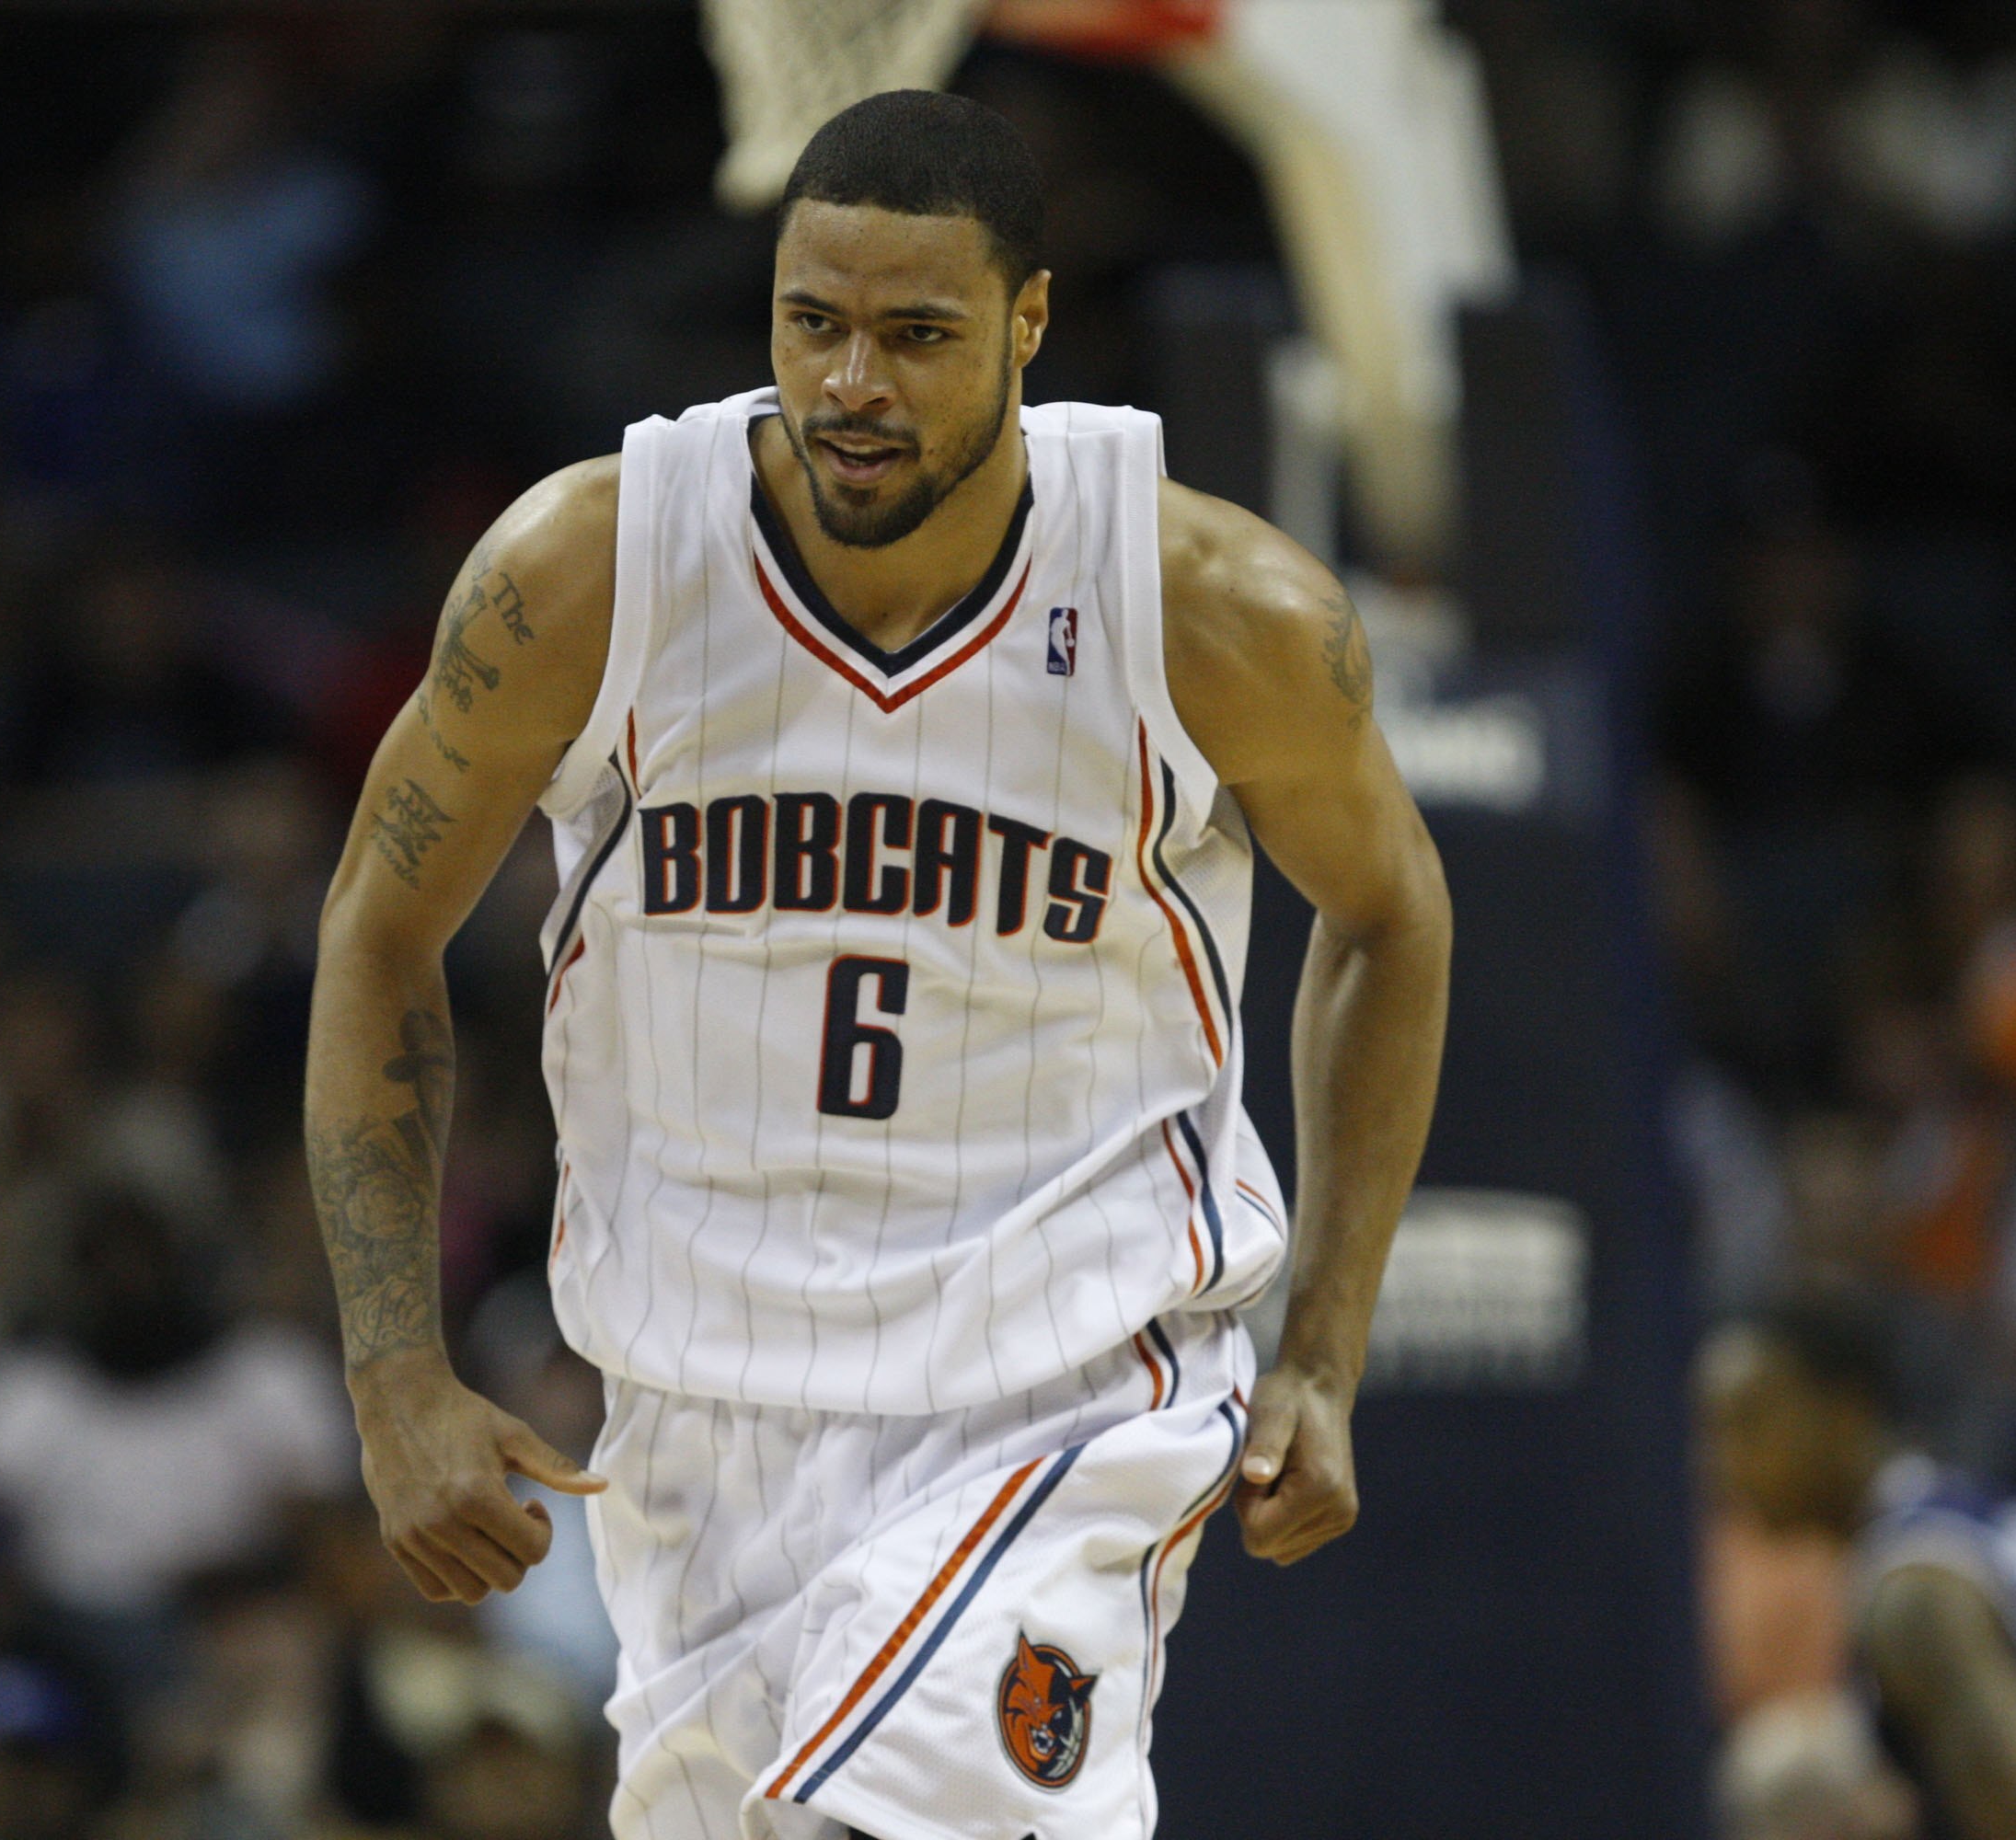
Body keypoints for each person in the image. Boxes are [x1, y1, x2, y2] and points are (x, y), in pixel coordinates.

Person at [304, 91, 1451, 1840]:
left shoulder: (1213, 606)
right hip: (693, 1426)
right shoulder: (589, 572)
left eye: (918, 336)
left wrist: (1323, 1352)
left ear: (1030, 324)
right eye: (813, 325)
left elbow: (1392, 916)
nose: (854, 384)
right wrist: (392, 1375)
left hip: (1057, 1391)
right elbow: (378, 928)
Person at [1700, 1297, 2016, 1840]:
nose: (1724, 1463)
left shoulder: (1914, 1599)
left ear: (1843, 1412)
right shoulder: (1961, 1514)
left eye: (1750, 1423)